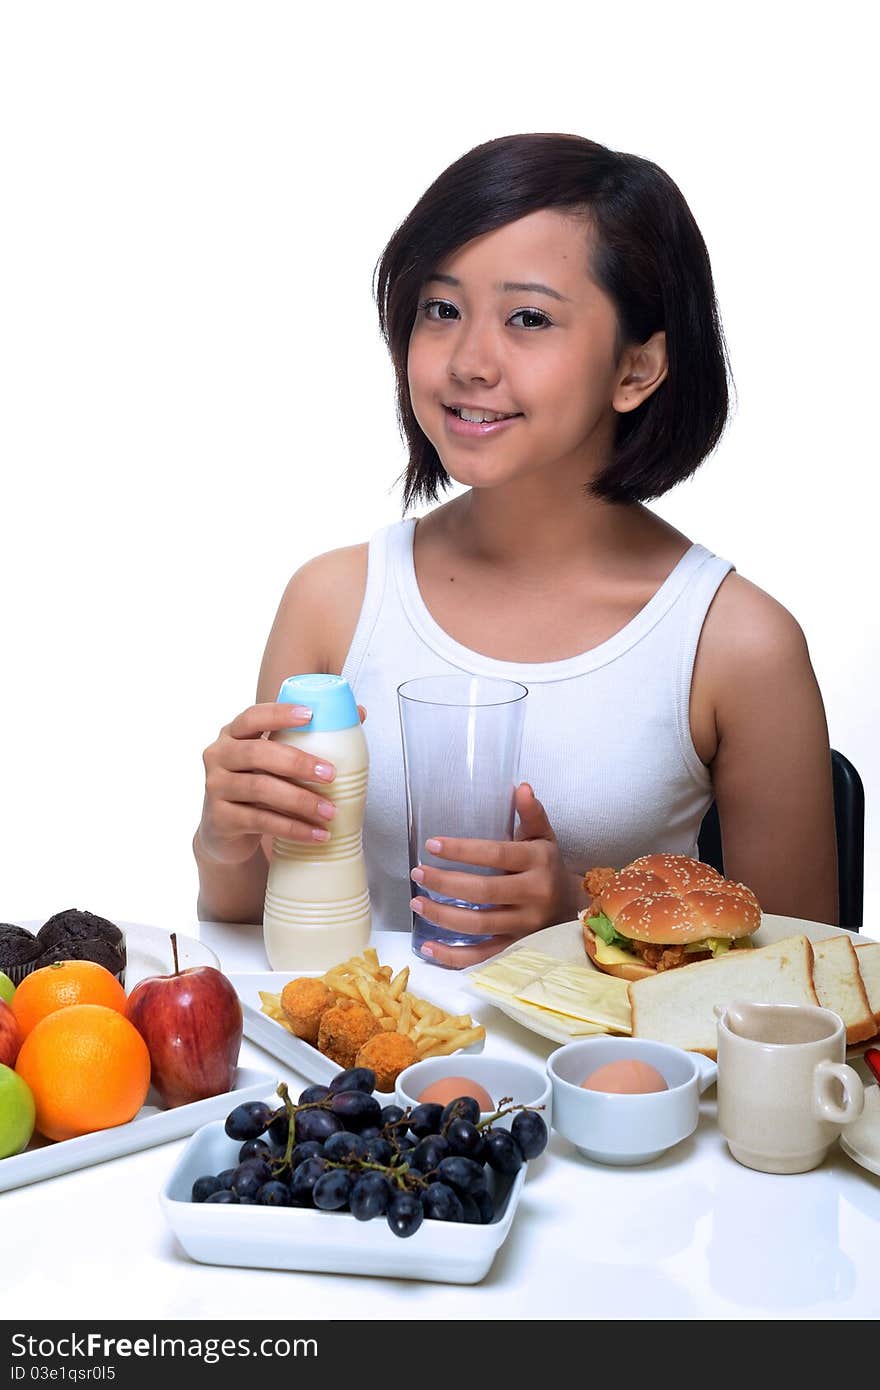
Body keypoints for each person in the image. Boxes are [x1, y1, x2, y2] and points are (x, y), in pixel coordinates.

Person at [194, 132, 838, 968]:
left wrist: (578, 915)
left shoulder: (737, 645)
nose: (469, 362)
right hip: (374, 1090)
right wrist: (224, 838)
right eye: (441, 309)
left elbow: (806, 987)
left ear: (637, 368)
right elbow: (261, 930)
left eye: (528, 318)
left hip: (610, 1089)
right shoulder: (333, 601)